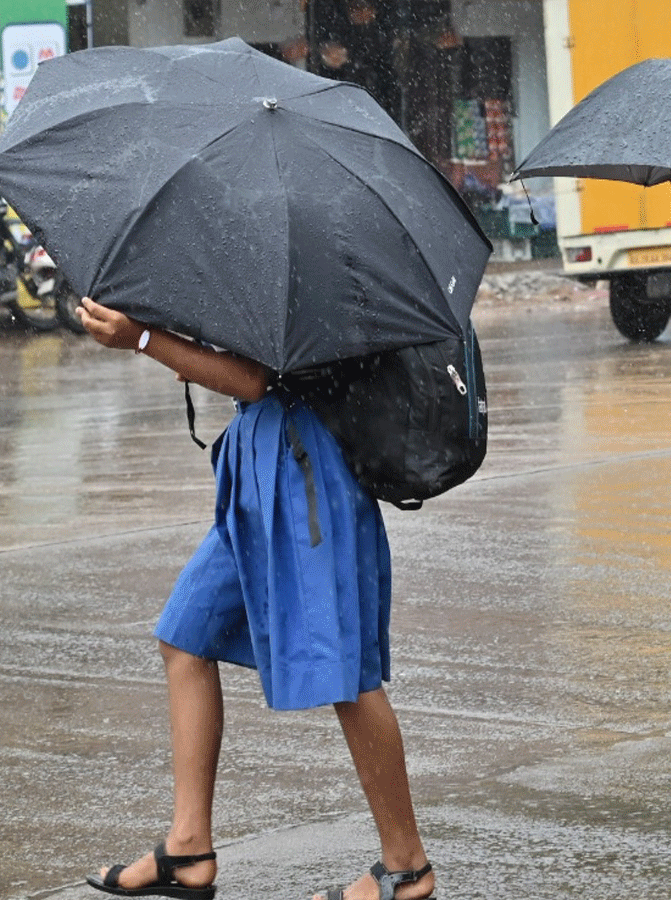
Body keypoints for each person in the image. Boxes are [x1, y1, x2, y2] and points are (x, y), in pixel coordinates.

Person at [75, 297, 434, 900]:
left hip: (307, 479)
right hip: (260, 469)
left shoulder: (294, 253)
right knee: (185, 635)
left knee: (349, 673)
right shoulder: (264, 242)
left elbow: (250, 375)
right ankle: (188, 849)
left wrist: (142, 340)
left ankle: (407, 867)